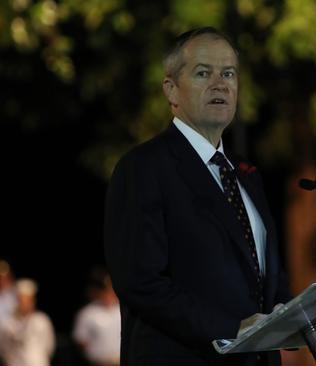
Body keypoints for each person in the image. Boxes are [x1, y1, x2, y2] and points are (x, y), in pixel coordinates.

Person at [104, 27, 291, 366]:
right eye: (204, 73)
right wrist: (232, 329)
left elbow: (262, 277)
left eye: (229, 74)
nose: (220, 84)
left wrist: (289, 312)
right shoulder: (144, 168)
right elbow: (141, 283)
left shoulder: (246, 176)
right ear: (171, 90)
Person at [0, 278, 55, 366]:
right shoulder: (7, 323)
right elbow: (1, 348)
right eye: (22, 300)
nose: (25, 304)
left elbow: (49, 347)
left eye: (28, 300)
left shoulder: (42, 320)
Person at [73, 267, 121, 366]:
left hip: (120, 361)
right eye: (104, 290)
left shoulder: (122, 311)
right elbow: (81, 340)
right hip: (98, 362)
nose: (108, 294)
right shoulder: (87, 312)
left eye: (110, 289)